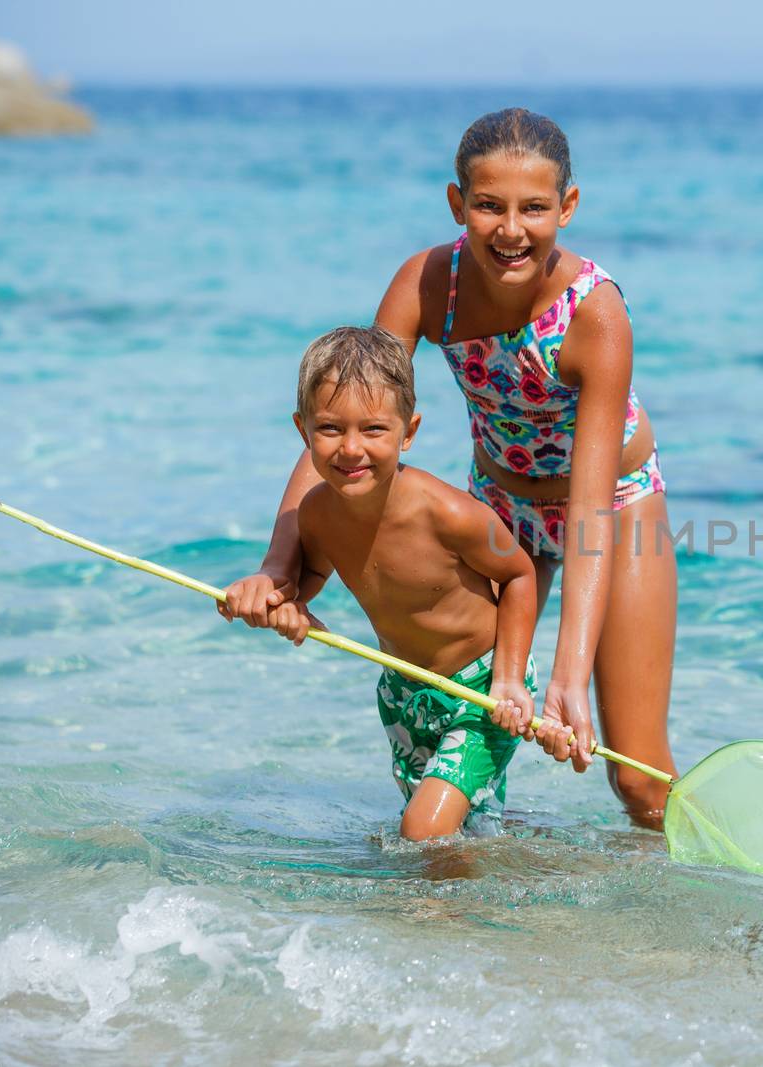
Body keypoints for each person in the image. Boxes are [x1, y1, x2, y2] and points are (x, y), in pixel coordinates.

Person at [222, 108, 678, 828]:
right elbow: (347, 416)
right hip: (500, 500)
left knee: (637, 780)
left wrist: (566, 676)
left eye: (534, 208)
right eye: (489, 205)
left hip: (613, 508)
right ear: (457, 203)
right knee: (462, 711)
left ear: (568, 206)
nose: (511, 228)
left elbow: (589, 512)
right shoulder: (431, 283)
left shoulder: (597, 315)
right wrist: (279, 568)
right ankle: (473, 902)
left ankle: (663, 927)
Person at [248, 324, 540, 841]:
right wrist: (287, 604)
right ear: (302, 431)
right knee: (466, 836)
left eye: (375, 430)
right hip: (404, 692)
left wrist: (510, 680)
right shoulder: (316, 513)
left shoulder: (450, 513)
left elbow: (519, 574)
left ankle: (431, 914)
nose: (351, 448)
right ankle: (466, 915)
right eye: (331, 428)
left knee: (422, 831)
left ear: (409, 431)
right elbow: (309, 574)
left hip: (480, 688)